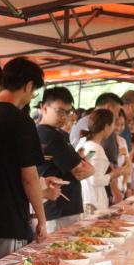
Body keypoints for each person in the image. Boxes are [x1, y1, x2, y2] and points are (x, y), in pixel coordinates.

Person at [0, 57, 48, 265]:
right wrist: (41, 219)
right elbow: (29, 177)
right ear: (28, 86)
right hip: (8, 219)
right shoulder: (21, 121)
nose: (31, 97)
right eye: (33, 92)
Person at [37, 86, 94, 232]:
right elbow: (80, 169)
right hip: (60, 209)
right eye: (60, 111)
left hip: (56, 208)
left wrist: (89, 168)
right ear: (44, 108)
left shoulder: (50, 133)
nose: (65, 116)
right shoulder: (51, 135)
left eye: (68, 112)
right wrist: (91, 168)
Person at [78, 108, 115, 214]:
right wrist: (115, 173)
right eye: (113, 124)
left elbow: (88, 164)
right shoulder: (95, 149)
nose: (114, 128)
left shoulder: (87, 145)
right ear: (106, 127)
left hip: (86, 199)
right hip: (93, 203)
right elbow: (96, 180)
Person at [70, 92, 122, 165]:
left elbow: (86, 159)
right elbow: (111, 156)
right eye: (118, 111)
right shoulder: (95, 148)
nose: (117, 116)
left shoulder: (92, 145)